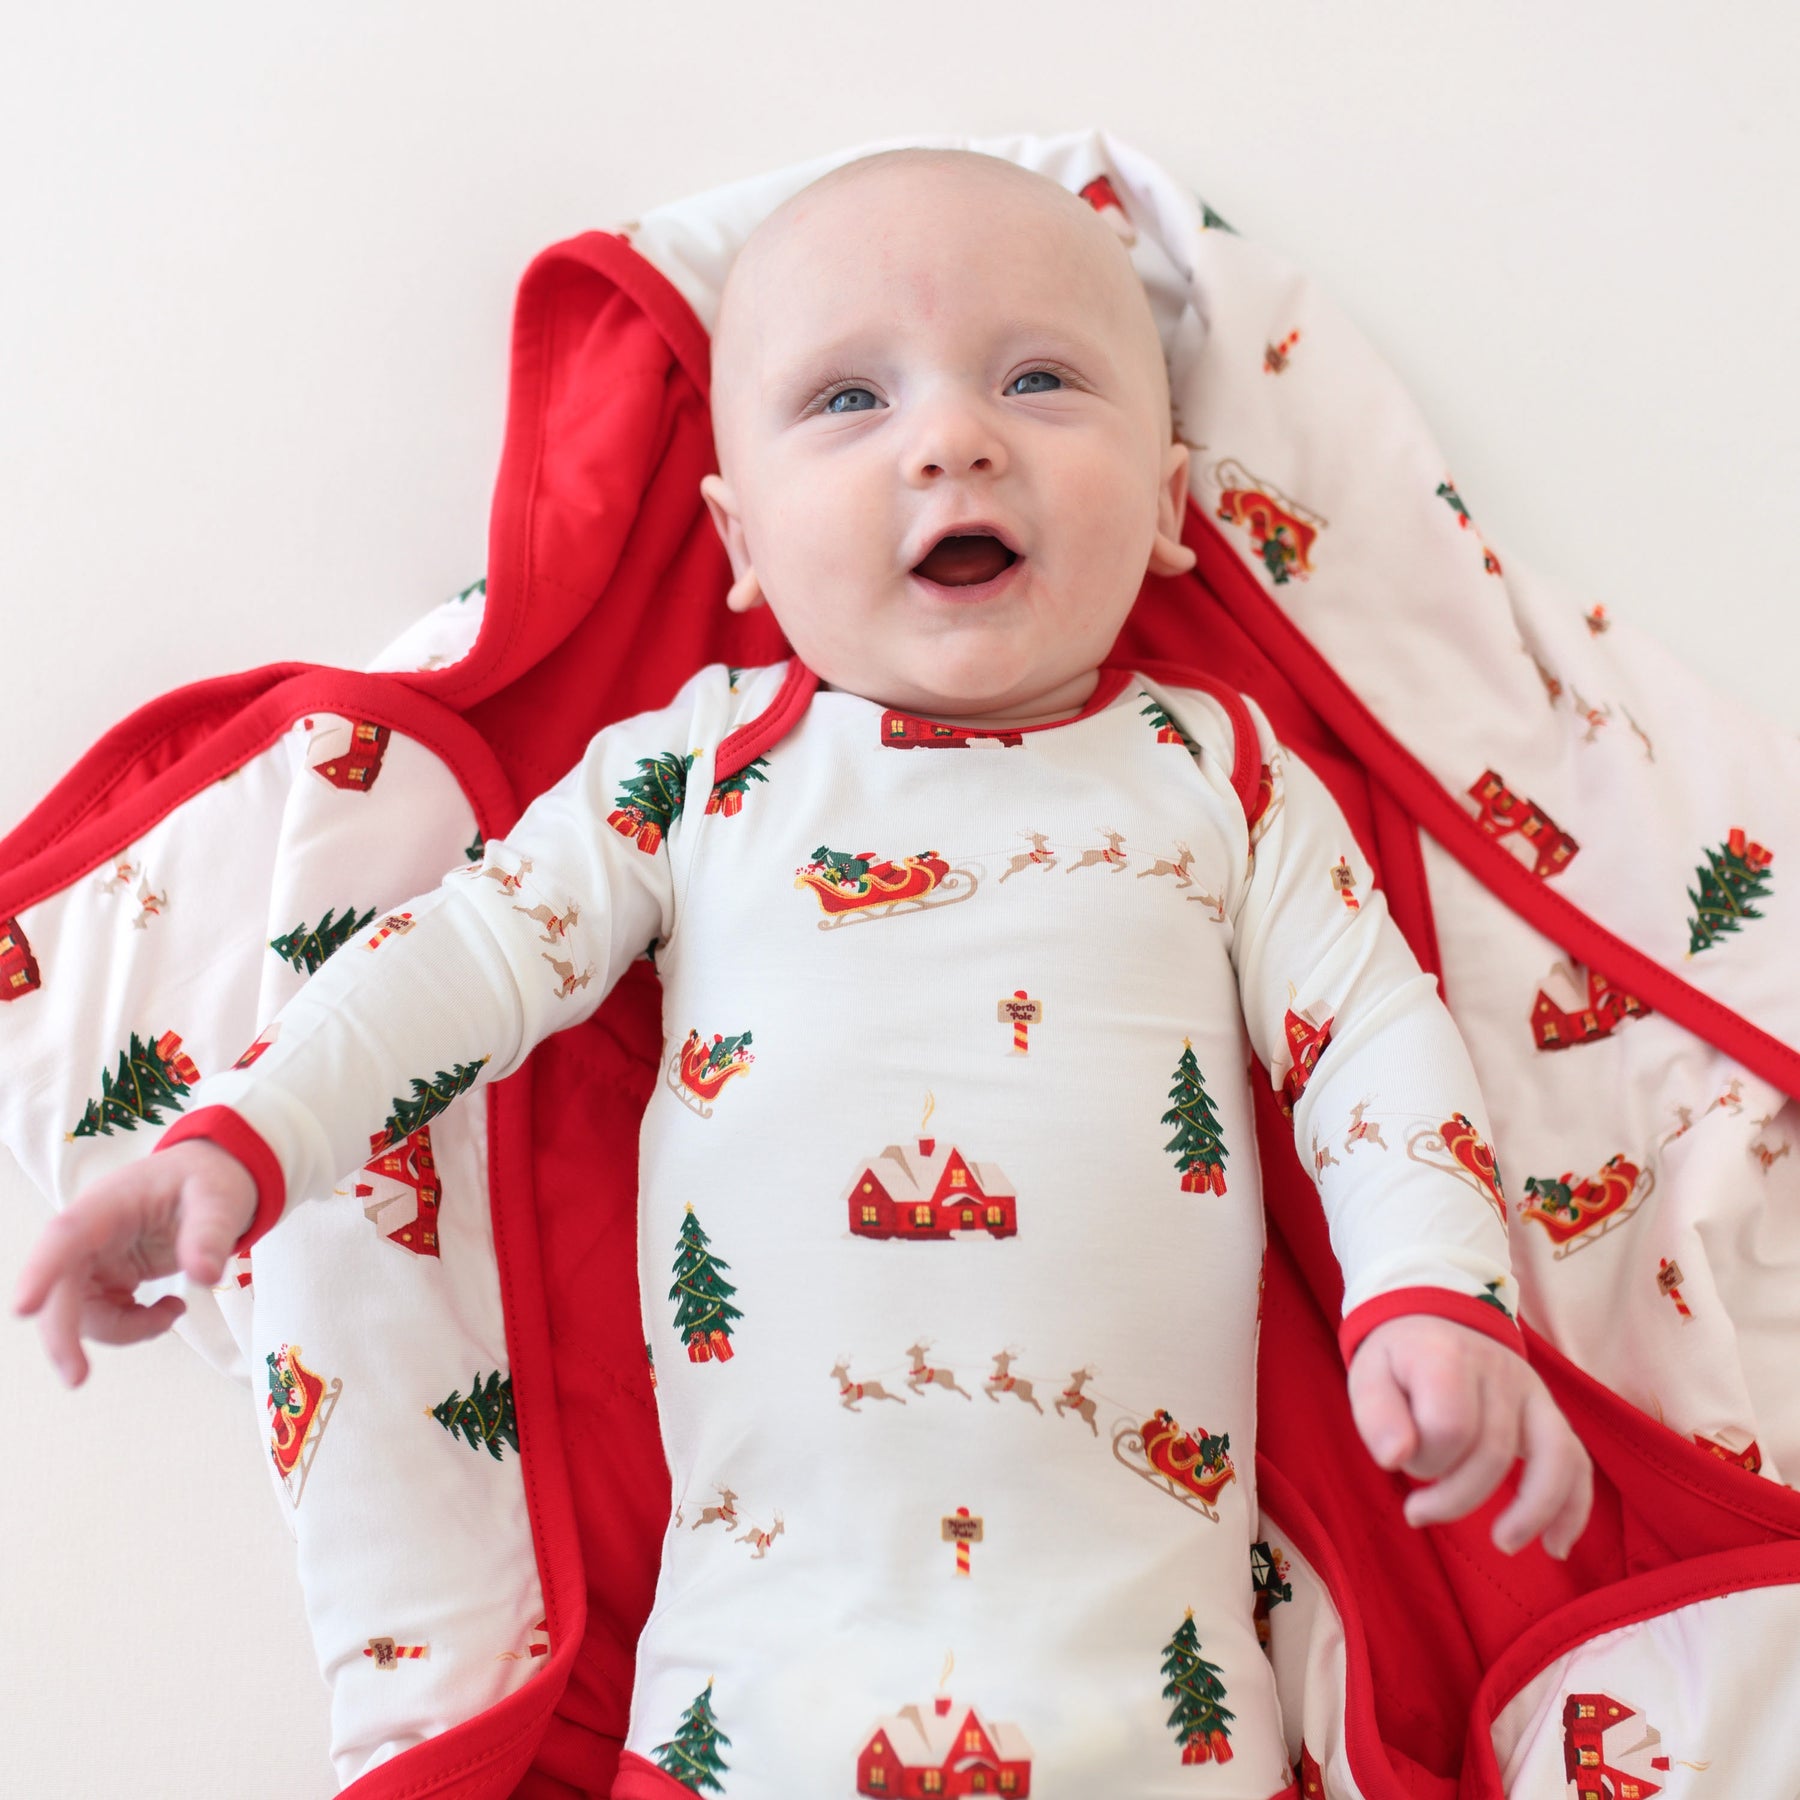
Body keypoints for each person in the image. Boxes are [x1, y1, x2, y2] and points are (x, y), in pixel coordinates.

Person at [13, 148, 1592, 1795]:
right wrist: (238, 1138)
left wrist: (1435, 1292)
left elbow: (1374, 1043)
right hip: (740, 1716)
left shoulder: (1226, 778)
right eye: (850, 399)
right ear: (741, 542)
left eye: (1041, 378)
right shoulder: (693, 778)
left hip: (1159, 1714)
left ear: (1177, 505)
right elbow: (462, 960)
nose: (954, 436)